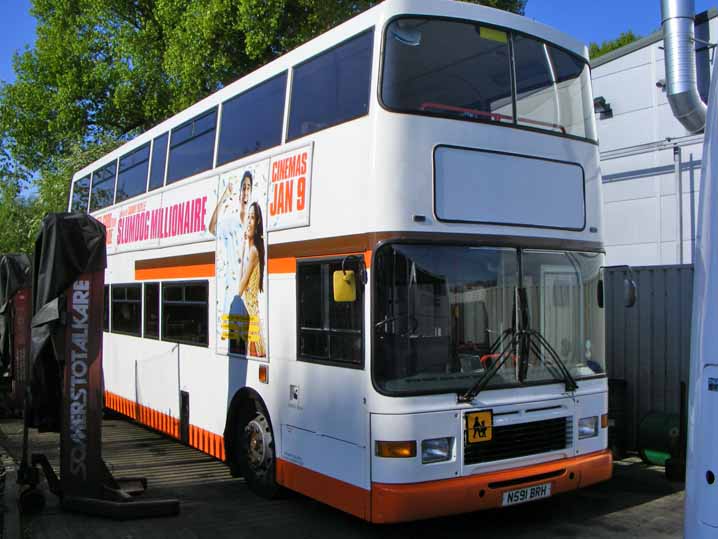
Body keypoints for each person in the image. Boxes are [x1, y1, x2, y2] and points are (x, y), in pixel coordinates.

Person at [209, 171, 253, 353]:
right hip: (232, 298)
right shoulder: (231, 222)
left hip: (248, 301)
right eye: (243, 187)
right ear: (240, 193)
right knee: (235, 348)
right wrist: (223, 197)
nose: (245, 191)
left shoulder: (254, 224)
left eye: (249, 188)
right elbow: (212, 228)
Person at [238, 201, 266, 357]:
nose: (249, 222)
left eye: (252, 217)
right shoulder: (252, 249)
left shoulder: (254, 251)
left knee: (254, 355)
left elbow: (241, 287)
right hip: (251, 320)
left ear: (258, 222)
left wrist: (242, 252)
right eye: (248, 217)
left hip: (252, 322)